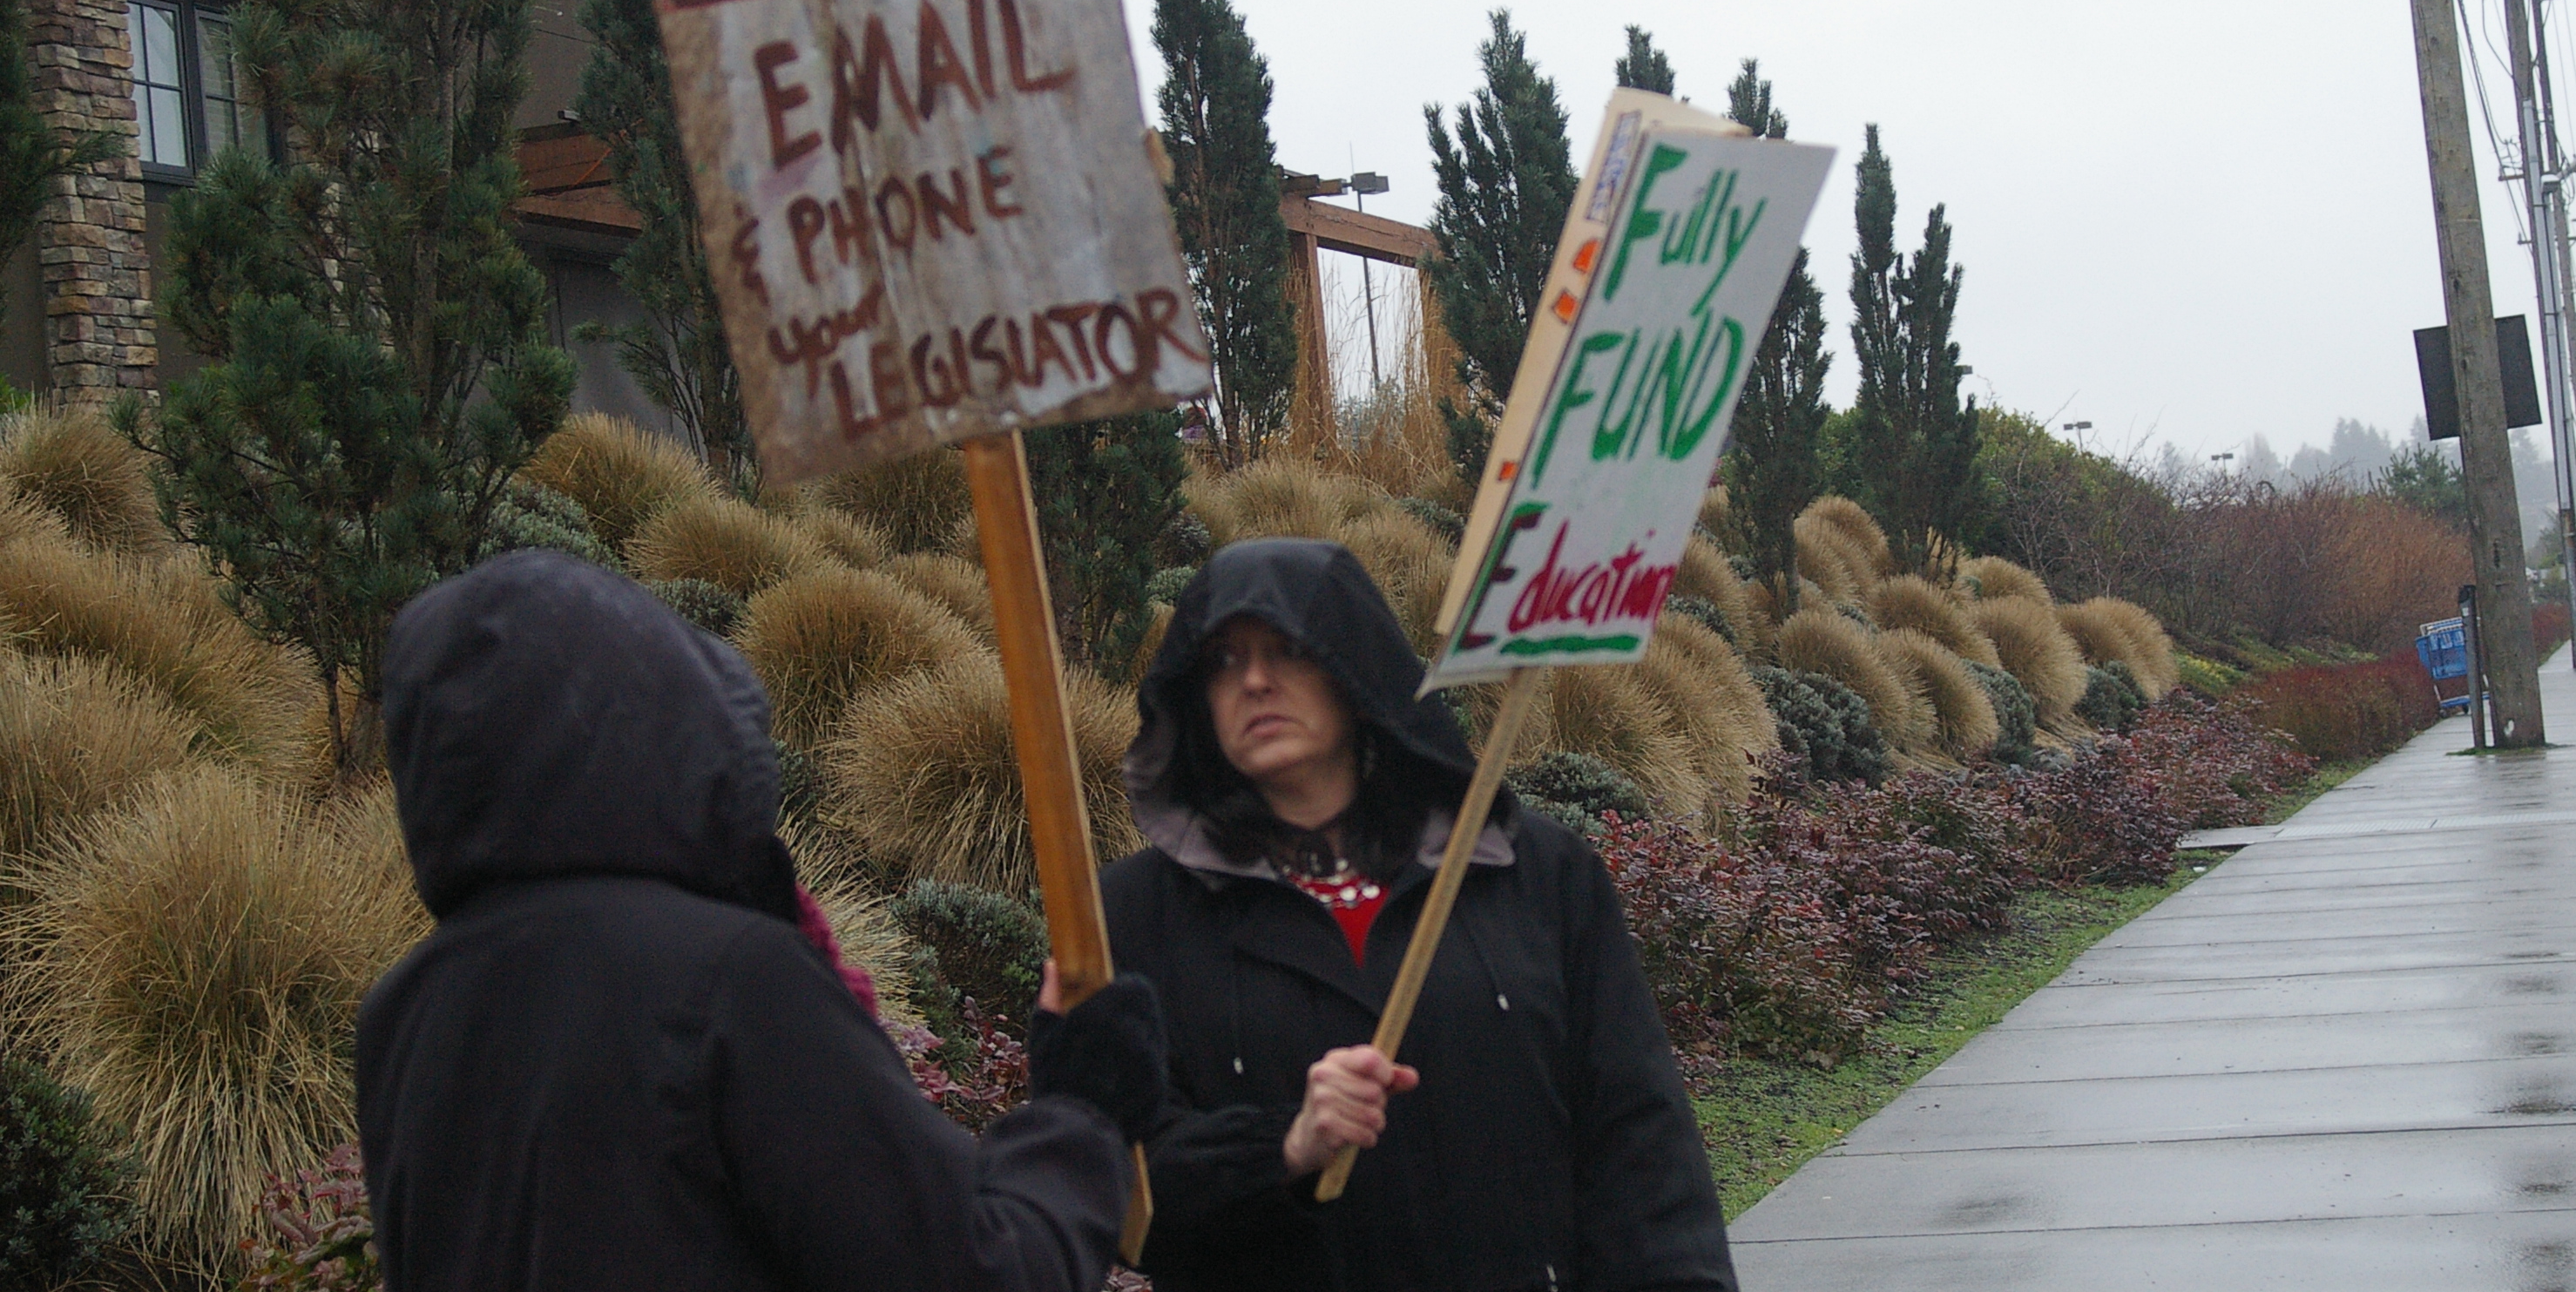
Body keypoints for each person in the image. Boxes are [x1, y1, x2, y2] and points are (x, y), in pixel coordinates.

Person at [358, 550, 1166, 1291]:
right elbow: (975, 1273)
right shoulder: (729, 979)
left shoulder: (403, 1009)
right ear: (665, 714)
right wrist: (1080, 1113)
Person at [1101, 537, 1736, 1292]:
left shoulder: (1533, 872)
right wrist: (1285, 1147)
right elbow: (1115, 1188)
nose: (1256, 680)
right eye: (1223, 661)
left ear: (1352, 664)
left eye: (1288, 648)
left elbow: (1640, 1140)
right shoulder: (1136, 915)